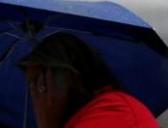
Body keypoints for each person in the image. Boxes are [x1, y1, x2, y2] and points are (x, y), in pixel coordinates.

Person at [18, 32, 160, 128]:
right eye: (32, 86)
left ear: (66, 77)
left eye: (40, 85)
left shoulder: (114, 110)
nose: (36, 95)